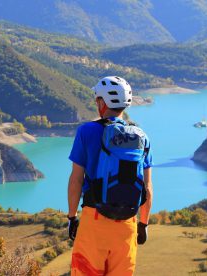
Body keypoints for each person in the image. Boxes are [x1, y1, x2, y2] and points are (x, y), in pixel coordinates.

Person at [67, 76, 153, 276]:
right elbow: (147, 188)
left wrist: (72, 218)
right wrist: (143, 224)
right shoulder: (141, 138)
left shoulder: (86, 131)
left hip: (94, 222)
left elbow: (76, 181)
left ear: (102, 103)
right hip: (127, 225)